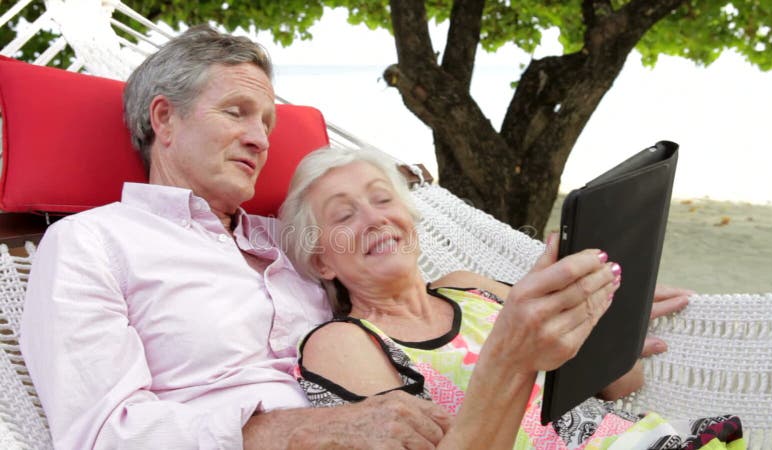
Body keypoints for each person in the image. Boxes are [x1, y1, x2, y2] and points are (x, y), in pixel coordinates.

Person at [19, 25, 453, 449]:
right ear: (165, 118)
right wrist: (306, 430)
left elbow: (404, 293)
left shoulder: (296, 239)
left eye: (267, 123)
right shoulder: (90, 243)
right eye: (236, 112)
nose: (261, 140)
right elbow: (101, 435)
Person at [279, 147, 746, 449]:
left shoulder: (468, 285)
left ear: (409, 216)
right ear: (322, 263)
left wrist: (603, 300)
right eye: (344, 216)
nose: (374, 219)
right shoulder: (342, 343)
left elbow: (620, 383)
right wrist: (513, 354)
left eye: (383, 200)